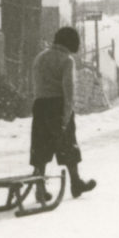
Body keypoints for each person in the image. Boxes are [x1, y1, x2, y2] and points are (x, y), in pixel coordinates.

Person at [30, 27, 96, 200]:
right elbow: (69, 90)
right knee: (68, 146)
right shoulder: (66, 60)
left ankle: (39, 190)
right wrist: (66, 117)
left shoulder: (40, 57)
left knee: (40, 148)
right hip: (57, 105)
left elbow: (36, 84)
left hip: (40, 105)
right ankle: (76, 183)